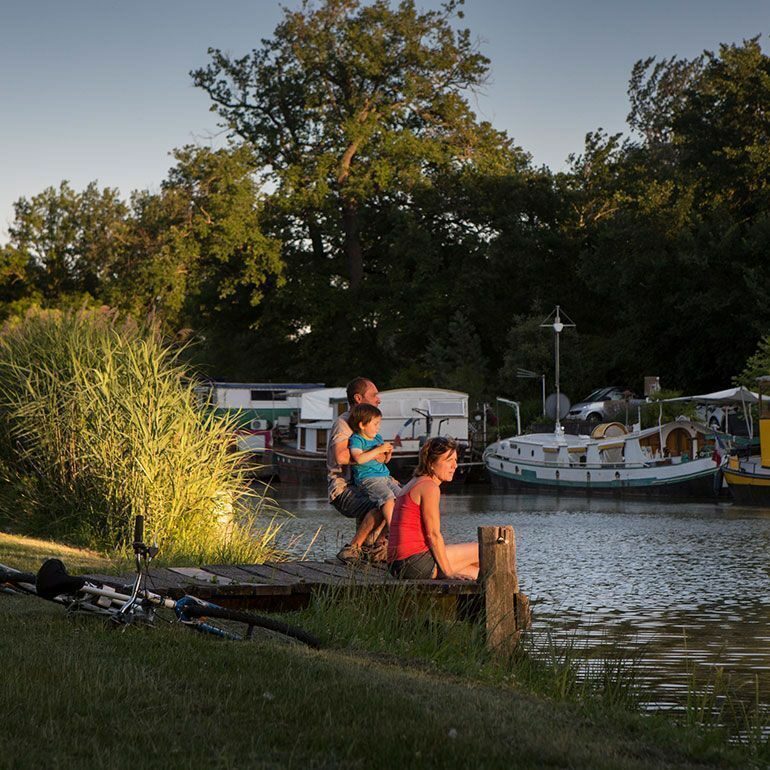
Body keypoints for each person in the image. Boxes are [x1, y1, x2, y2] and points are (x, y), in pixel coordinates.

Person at [387, 437, 479, 580]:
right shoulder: (429, 487)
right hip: (414, 563)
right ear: (431, 463)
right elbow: (433, 534)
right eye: (449, 461)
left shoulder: (413, 482)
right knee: (482, 550)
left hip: (397, 566)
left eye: (455, 460)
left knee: (474, 572)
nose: (455, 466)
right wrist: (448, 573)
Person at [327, 377, 388, 564]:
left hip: (365, 483)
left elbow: (382, 457)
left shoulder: (370, 424)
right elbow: (341, 457)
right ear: (359, 398)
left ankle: (378, 548)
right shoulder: (344, 423)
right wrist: (374, 452)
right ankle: (352, 549)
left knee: (400, 498)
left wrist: (382, 453)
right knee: (382, 504)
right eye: (374, 395)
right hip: (342, 489)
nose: (379, 399)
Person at [348, 403, 400, 526]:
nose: (378, 427)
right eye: (375, 424)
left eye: (379, 424)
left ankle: (399, 528)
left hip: (385, 477)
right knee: (388, 497)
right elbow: (359, 459)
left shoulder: (378, 438)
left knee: (402, 497)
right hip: (368, 478)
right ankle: (393, 528)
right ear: (362, 425)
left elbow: (384, 461)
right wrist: (378, 450)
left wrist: (388, 453)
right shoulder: (357, 439)